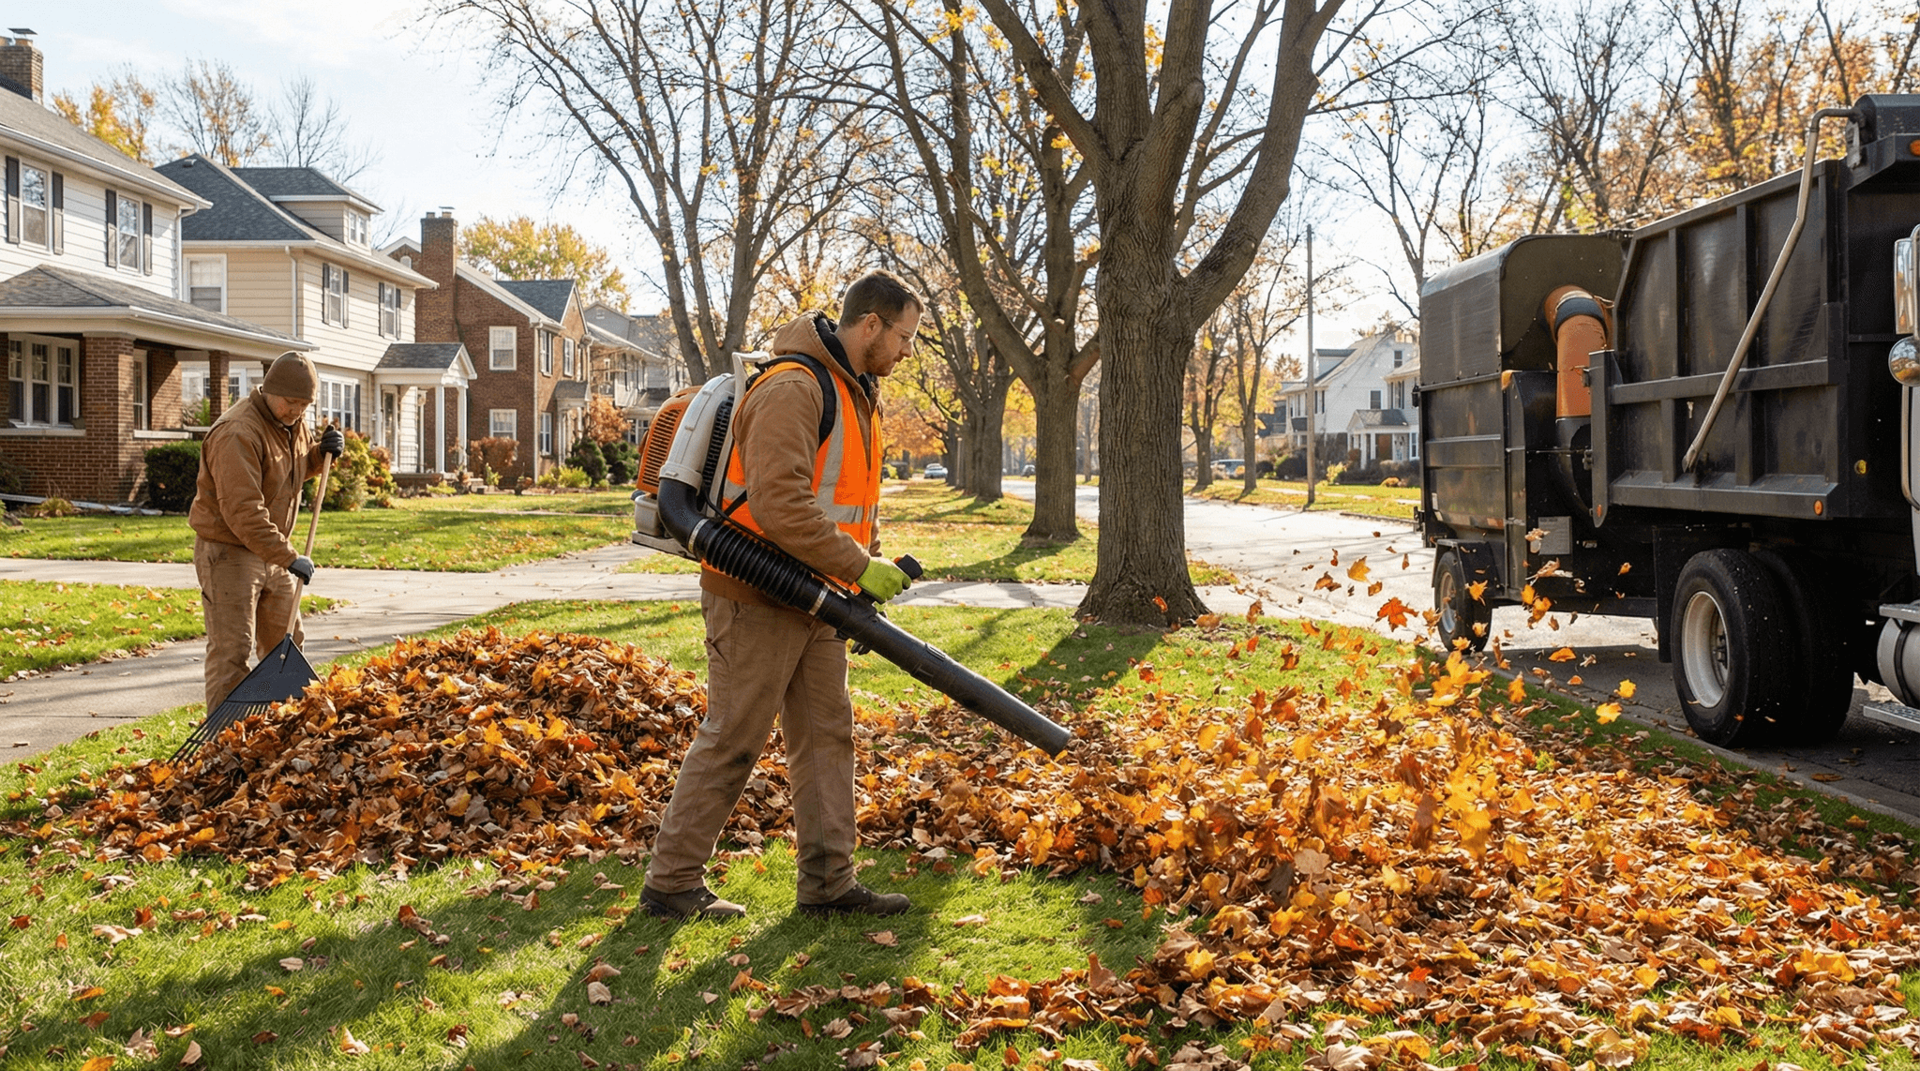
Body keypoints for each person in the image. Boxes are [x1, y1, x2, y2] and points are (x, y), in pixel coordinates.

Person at [642, 272, 922, 921]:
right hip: (755, 591)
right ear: (871, 324)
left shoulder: (857, 393)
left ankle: (829, 885)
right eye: (903, 336)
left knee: (827, 736)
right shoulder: (796, 386)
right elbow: (780, 504)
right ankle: (671, 884)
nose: (907, 351)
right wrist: (860, 565)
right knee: (735, 736)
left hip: (819, 595)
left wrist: (859, 578)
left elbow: (843, 502)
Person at [187, 352, 344, 711]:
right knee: (232, 651)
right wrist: (289, 557)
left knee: (287, 644)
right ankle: (223, 746)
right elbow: (243, 511)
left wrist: (320, 455)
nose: (297, 411)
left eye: (305, 405)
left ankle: (277, 733)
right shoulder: (237, 432)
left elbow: (286, 473)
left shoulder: (290, 423)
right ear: (271, 390)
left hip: (273, 552)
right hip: (230, 552)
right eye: (291, 402)